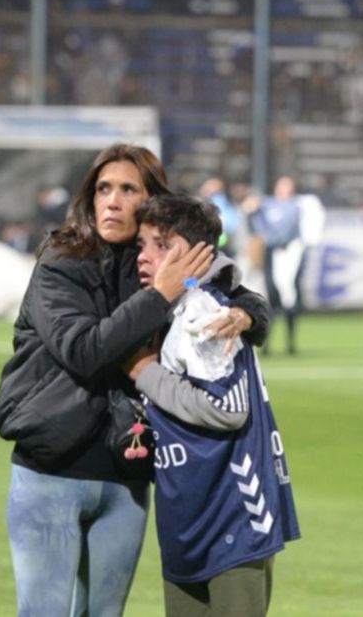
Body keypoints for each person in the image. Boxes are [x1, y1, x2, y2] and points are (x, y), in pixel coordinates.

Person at [0, 144, 272, 617]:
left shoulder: (156, 265)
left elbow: (232, 288)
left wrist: (247, 313)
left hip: (126, 478)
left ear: (150, 202)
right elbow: (84, 351)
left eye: (128, 189)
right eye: (103, 188)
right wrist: (161, 295)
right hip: (51, 471)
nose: (113, 200)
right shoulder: (60, 263)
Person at [124, 194, 300, 616]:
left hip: (232, 512)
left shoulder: (204, 312)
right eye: (141, 245)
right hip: (189, 509)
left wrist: (143, 371)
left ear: (193, 254)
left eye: (159, 245)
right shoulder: (173, 307)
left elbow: (229, 407)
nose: (144, 257)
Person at [246, 176, 304, 355]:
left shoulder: (294, 207)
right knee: (271, 298)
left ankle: (290, 342)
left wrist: (267, 236)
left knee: (288, 297)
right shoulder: (268, 204)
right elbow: (254, 224)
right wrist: (251, 212)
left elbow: (284, 230)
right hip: (271, 253)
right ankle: (267, 342)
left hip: (287, 253)